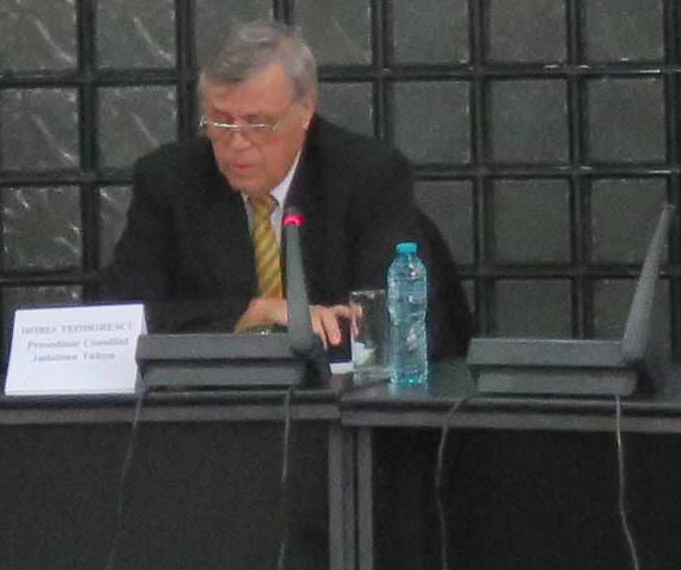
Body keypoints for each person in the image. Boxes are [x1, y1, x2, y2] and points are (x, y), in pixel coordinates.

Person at [104, 20, 471, 362]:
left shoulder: (366, 174)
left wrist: (317, 330)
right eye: (221, 122)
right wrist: (248, 316)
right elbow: (121, 322)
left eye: (258, 123)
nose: (237, 142)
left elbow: (405, 322)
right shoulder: (170, 180)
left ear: (306, 108)